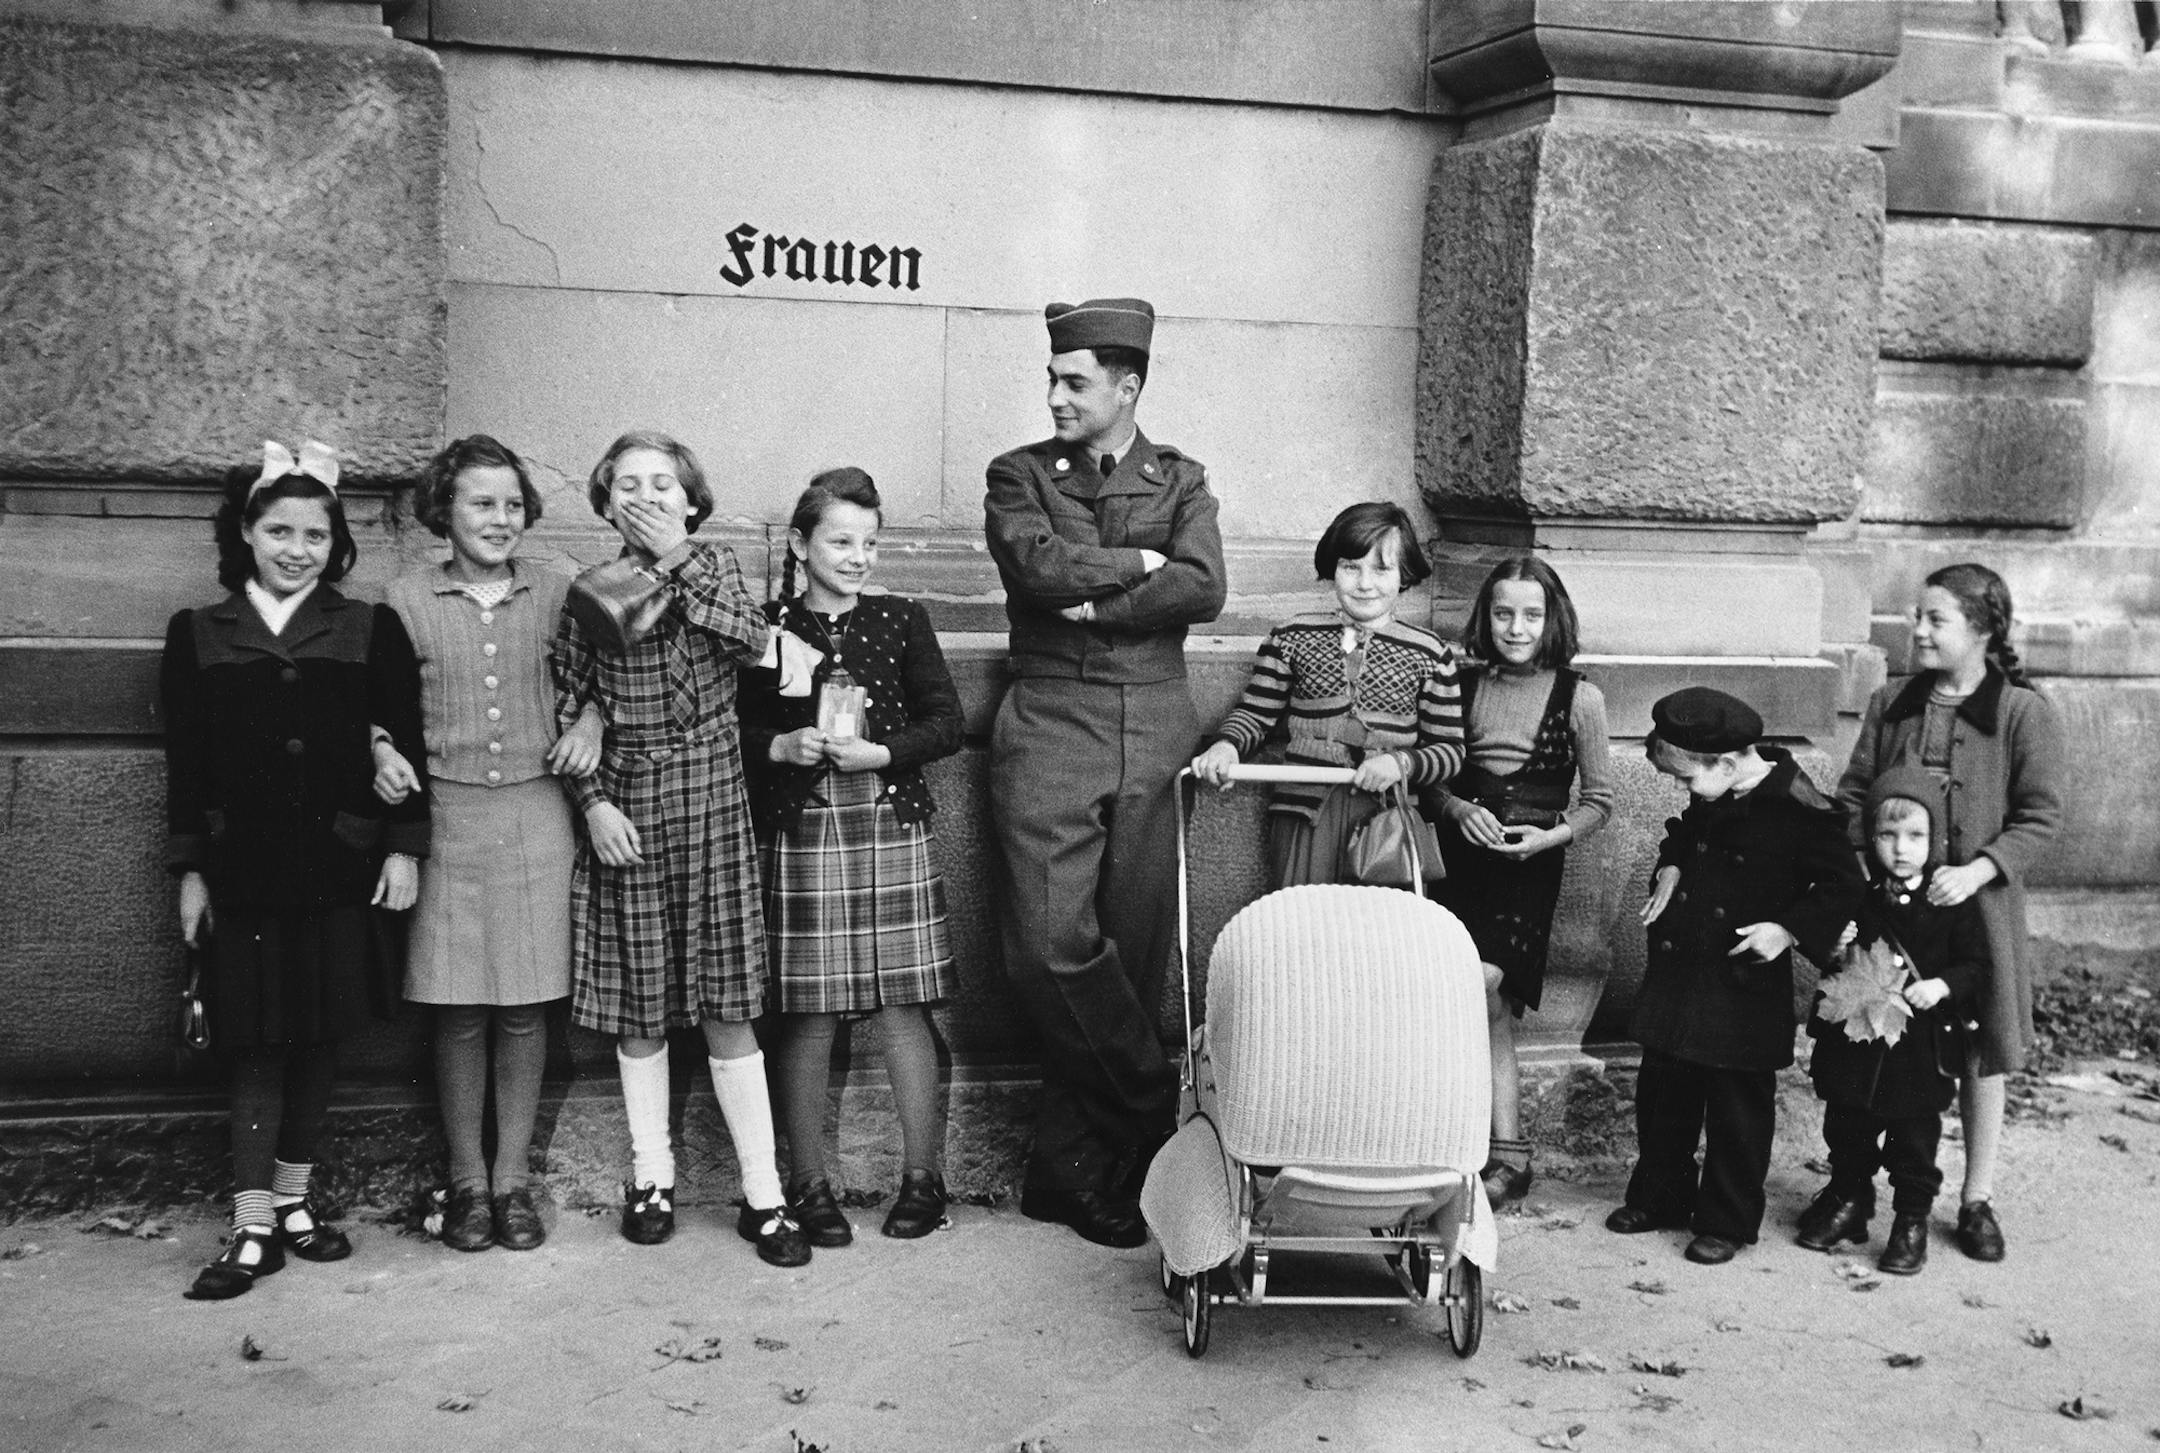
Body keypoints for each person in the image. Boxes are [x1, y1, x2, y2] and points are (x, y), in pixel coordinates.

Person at [983, 297, 1227, 1248]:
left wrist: (1097, 602)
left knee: (1130, 946)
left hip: (1158, 720)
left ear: (1127, 387)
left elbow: (1203, 584)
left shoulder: (1183, 476)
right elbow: (1034, 567)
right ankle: (1150, 1102)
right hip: (1050, 714)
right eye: (1050, 378)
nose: (1053, 396)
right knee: (1047, 943)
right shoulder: (1017, 474)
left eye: (1073, 381)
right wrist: (1135, 559)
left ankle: (1069, 1171)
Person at [161, 440, 429, 1299]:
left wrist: (401, 844)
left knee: (318, 1030)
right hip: (245, 874)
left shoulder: (366, 626)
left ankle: (295, 1198)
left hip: (336, 865)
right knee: (253, 1036)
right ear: (246, 532)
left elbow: (400, 736)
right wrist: (192, 872)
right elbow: (187, 766)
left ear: (334, 543)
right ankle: (250, 1222)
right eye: (279, 530)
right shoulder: (200, 632)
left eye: (315, 534)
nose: (296, 548)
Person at [550, 430, 814, 1267]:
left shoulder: (720, 568)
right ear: (605, 501)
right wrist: (591, 800)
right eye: (629, 483)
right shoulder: (590, 591)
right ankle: (650, 1176)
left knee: (730, 1002)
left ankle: (764, 1196)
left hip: (711, 796)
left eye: (665, 483)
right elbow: (570, 697)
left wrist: (678, 561)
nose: (648, 495)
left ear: (691, 499)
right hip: (630, 802)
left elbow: (748, 640)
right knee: (641, 1003)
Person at [376, 435, 601, 1253]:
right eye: (481, 502)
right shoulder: (403, 600)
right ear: (445, 510)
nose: (499, 518)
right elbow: (380, 704)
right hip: (449, 819)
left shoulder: (559, 590)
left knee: (522, 1005)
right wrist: (379, 746)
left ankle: (514, 1181)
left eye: (512, 504)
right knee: (460, 1004)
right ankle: (467, 1181)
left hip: (539, 816)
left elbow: (605, 679)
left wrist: (590, 719)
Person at [740, 468, 965, 1245]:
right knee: (809, 1008)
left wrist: (885, 753)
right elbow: (733, 730)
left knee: (905, 1003)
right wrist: (779, 742)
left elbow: (946, 721)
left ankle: (921, 1178)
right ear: (801, 545)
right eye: (841, 540)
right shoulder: (764, 626)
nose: (859, 555)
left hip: (889, 819)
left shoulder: (902, 619)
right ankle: (806, 1183)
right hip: (803, 827)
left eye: (870, 542)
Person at [1834, 563, 2065, 1263]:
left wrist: (1978, 869)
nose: (1919, 629)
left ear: (1984, 630)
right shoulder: (1893, 702)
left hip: (1977, 911)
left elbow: (2041, 817)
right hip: (1894, 912)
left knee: (1976, 1046)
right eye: (1918, 617)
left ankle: (1975, 1197)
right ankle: (1869, 1189)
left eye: (1936, 619)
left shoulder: (2024, 711)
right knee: (1891, 1043)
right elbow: (1853, 796)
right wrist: (1872, 872)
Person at [1609, 687, 1862, 1266]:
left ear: (1726, 763)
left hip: (1742, 981)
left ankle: (1727, 1218)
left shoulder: (1800, 807)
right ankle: (1662, 1196)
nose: (1681, 788)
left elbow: (1843, 885)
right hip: (1684, 969)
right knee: (1665, 1093)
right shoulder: (1716, 785)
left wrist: (1789, 930)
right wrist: (1671, 866)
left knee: (1737, 1112)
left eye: (1684, 778)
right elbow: (1685, 828)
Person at [1424, 555, 1612, 1208]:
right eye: (1504, 612)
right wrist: (1457, 808)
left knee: (1484, 984)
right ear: (1487, 616)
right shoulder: (1463, 684)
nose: (1516, 626)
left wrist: (1549, 836)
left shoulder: (1580, 696)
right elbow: (1438, 775)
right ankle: (1504, 1153)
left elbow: (1601, 801)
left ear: (1552, 618)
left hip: (1528, 865)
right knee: (1485, 1006)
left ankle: (1480, 1145)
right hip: (1462, 857)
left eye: (1531, 613)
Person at [1190, 500, 1463, 889]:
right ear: (1333, 568)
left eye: (1381, 569)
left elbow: (1450, 750)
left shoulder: (1431, 653)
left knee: (1374, 938)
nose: (1364, 583)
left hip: (1386, 819)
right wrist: (1227, 747)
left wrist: (1401, 764)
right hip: (1305, 811)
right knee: (1306, 926)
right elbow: (1255, 713)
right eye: (1351, 567)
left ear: (1404, 574)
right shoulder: (1292, 637)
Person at [1798, 768, 1983, 1277]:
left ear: (1935, 839)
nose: (1902, 848)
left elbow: (1975, 965)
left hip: (1917, 1051)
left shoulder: (1949, 902)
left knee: (1914, 1139)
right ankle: (1851, 1200)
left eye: (1916, 836)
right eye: (1888, 835)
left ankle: (1911, 1220)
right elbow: (1831, 958)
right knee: (1847, 1125)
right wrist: (1834, 948)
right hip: (1856, 1040)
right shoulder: (1858, 895)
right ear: (1871, 837)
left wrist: (1941, 986)